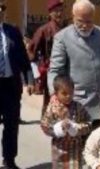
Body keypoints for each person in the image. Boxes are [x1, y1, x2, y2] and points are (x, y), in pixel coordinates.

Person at [48, 0, 100, 129]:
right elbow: (56, 70)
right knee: (80, 147)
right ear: (73, 17)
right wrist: (55, 96)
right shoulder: (62, 38)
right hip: (78, 105)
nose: (84, 26)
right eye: (80, 21)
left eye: (88, 22)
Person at [0, 0, 34, 168]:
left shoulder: (13, 31)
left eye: (1, 9)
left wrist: (29, 80)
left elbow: (23, 57)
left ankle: (9, 160)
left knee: (11, 124)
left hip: (10, 86)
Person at [41, 75, 90, 169]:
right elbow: (45, 125)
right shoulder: (52, 108)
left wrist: (76, 128)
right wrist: (58, 129)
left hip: (75, 147)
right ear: (56, 93)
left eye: (71, 93)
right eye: (64, 93)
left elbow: (88, 123)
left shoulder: (79, 107)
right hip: (59, 147)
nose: (68, 96)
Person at [28, 0, 65, 116]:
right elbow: (31, 53)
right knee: (51, 101)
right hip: (52, 72)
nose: (59, 14)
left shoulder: (67, 28)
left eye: (61, 11)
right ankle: (48, 124)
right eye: (56, 11)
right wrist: (35, 75)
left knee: (65, 102)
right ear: (50, 13)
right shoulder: (43, 30)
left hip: (67, 72)